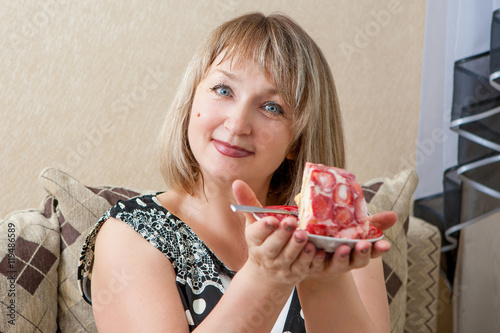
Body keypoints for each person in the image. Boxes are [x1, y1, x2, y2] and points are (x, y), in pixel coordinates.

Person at [77, 12, 397, 333]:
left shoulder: (338, 235)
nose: (237, 123)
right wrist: (266, 278)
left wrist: (323, 280)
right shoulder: (131, 233)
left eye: (272, 107)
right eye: (223, 90)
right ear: (191, 102)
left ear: (297, 142)